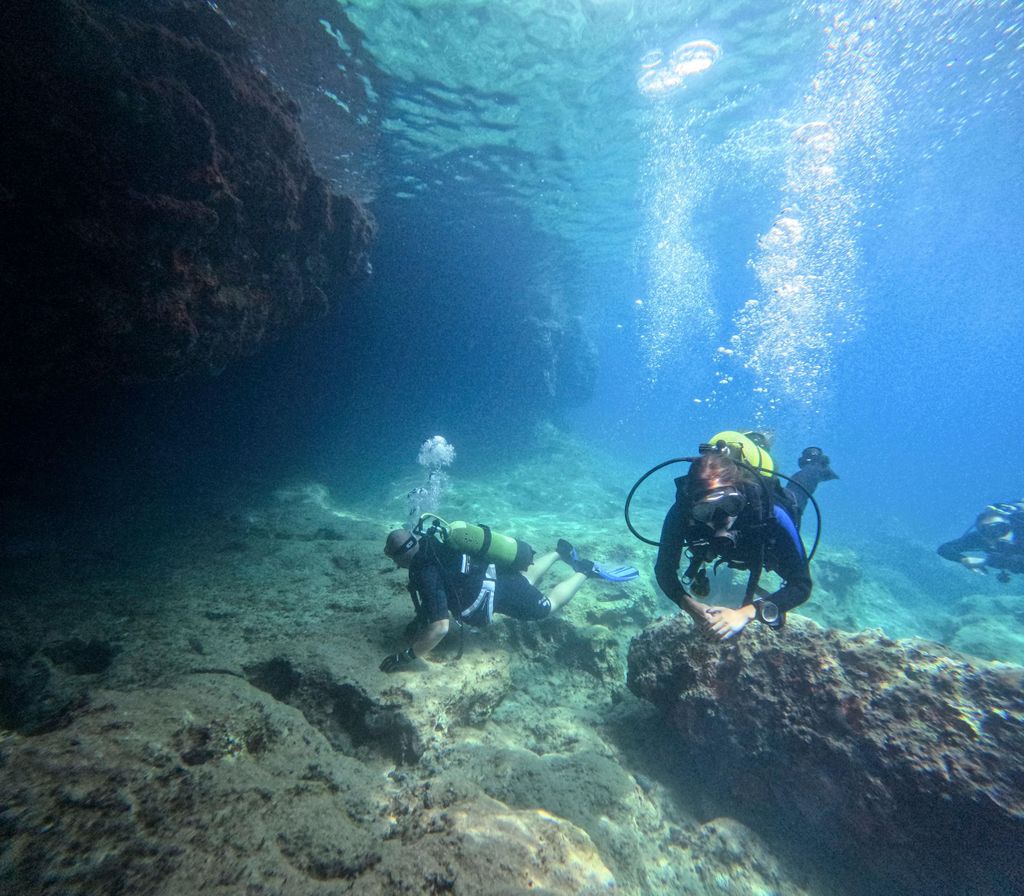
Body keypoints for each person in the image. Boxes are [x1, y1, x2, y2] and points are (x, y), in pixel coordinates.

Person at [379, 527, 637, 672]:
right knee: (523, 581)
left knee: (544, 608)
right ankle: (559, 553)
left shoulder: (425, 572)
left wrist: (407, 657)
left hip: (493, 589)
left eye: (393, 559)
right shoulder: (431, 542)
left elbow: (440, 627)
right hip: (496, 571)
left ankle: (585, 571)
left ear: (399, 556)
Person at [655, 438, 838, 641]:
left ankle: (814, 465)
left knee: (796, 496)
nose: (720, 519)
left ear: (741, 495)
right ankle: (757, 440)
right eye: (706, 510)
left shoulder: (771, 513)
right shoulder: (682, 514)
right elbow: (664, 571)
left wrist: (743, 614)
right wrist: (690, 605)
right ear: (693, 506)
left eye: (729, 504)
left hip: (761, 535)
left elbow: (801, 585)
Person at [937, 501, 1024, 583]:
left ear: (1012, 526)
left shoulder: (1021, 533)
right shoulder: (980, 538)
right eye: (987, 531)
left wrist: (986, 561)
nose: (996, 535)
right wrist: (963, 559)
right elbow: (944, 549)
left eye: (1001, 529)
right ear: (981, 531)